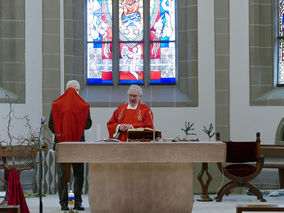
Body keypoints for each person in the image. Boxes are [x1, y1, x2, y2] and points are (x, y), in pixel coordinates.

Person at [49, 80, 92, 211]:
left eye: (77, 90)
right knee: (63, 175)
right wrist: (62, 133)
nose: (75, 92)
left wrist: (77, 123)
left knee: (79, 174)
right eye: (73, 90)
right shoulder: (57, 104)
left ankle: (78, 202)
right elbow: (52, 124)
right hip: (62, 143)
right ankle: (63, 203)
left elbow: (88, 124)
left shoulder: (83, 106)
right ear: (67, 90)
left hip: (78, 143)